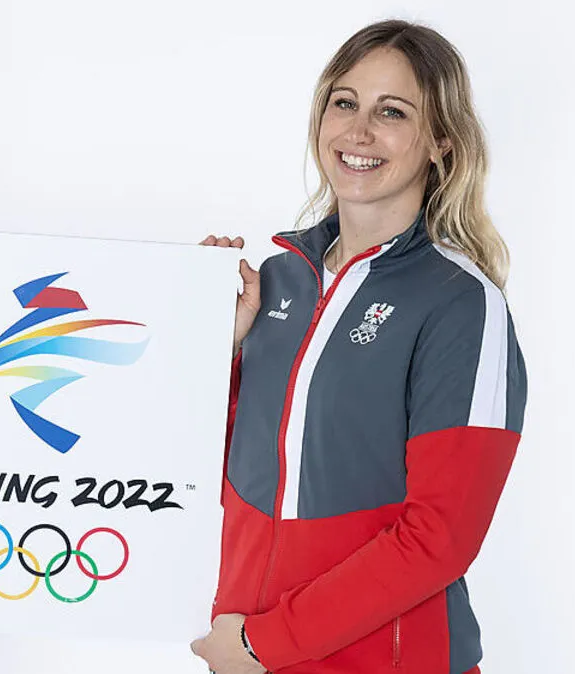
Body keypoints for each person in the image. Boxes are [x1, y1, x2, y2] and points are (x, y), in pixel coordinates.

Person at [190, 19, 527, 674]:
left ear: (441, 143)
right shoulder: (279, 280)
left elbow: (441, 538)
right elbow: (217, 475)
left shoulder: (461, 304)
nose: (359, 131)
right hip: (248, 654)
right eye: (345, 103)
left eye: (392, 112)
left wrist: (265, 644)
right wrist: (216, 354)